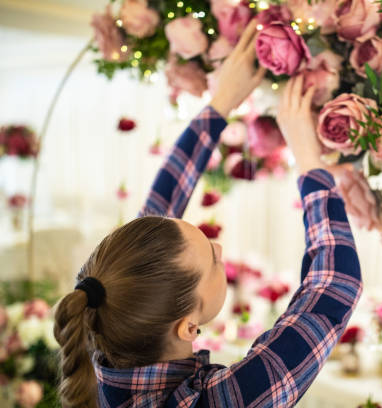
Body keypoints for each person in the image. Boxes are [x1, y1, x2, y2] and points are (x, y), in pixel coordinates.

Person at [53, 20, 362, 408]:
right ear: (188, 327)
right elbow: (335, 287)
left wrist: (220, 105)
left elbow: (153, 230)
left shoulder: (108, 324)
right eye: (213, 261)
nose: (218, 247)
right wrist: (309, 159)